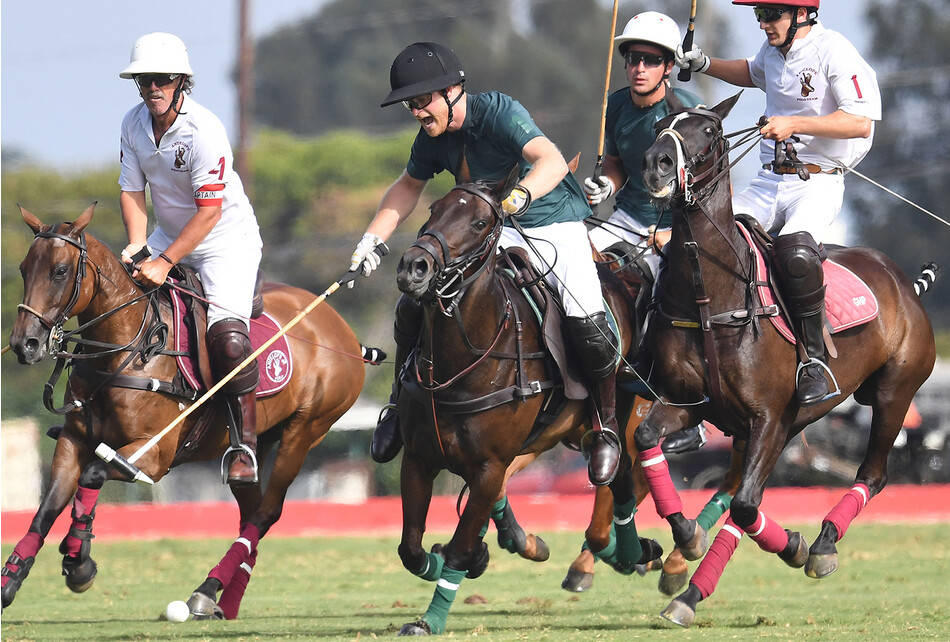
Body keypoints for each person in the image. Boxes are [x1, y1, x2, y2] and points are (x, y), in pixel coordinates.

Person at [349, 42, 622, 486]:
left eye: (423, 101)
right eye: (411, 105)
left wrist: (522, 194)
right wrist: (371, 240)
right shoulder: (431, 140)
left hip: (551, 222)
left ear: (454, 90)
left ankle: (606, 425)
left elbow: (549, 160)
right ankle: (401, 404)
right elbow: (406, 188)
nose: (417, 112)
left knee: (585, 319)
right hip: (494, 231)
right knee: (417, 302)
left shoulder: (498, 112)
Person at [675, 1, 881, 405]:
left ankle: (814, 362)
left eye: (772, 14)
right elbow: (750, 72)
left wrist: (795, 123)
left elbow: (860, 122)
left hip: (817, 181)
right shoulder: (773, 53)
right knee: (707, 242)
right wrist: (704, 63)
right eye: (759, 15)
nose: (764, 23)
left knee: (796, 253)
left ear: (803, 14)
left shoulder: (833, 49)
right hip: (770, 181)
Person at [118, 32, 264, 485]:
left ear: (182, 81)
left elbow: (209, 213)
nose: (152, 89)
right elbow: (131, 189)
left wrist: (163, 263)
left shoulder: (205, 131)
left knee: (229, 341)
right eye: (144, 81)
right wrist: (139, 246)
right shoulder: (132, 122)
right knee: (119, 305)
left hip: (225, 242)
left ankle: (245, 446)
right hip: (168, 233)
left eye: (161, 79)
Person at [583, 11, 706, 454]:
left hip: (676, 226)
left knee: (665, 297)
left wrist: (674, 236)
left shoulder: (686, 111)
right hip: (626, 218)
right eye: (634, 58)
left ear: (669, 67)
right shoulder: (616, 105)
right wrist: (606, 185)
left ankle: (687, 400)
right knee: (568, 264)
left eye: (651, 60)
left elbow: (705, 186)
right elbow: (616, 163)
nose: (639, 67)